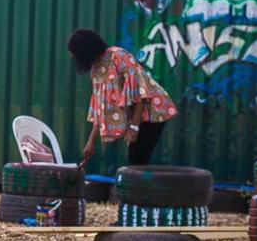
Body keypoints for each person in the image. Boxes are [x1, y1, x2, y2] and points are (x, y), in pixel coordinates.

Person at [68, 28, 177, 167]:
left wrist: (134, 127)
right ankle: (140, 187)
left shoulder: (119, 56)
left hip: (153, 111)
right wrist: (90, 142)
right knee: (136, 158)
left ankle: (143, 187)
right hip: (137, 116)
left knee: (138, 157)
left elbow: (140, 94)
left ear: (85, 50)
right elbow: (98, 108)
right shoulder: (95, 70)